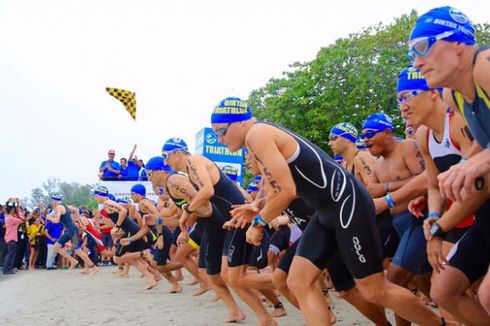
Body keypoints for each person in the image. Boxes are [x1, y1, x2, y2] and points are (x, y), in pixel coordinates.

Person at [210, 96, 443, 325]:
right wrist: (256, 206)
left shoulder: (257, 134)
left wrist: (259, 223)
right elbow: (276, 185)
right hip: (326, 210)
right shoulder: (260, 134)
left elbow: (286, 191)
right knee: (298, 281)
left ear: (241, 122)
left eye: (221, 131)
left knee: (373, 288)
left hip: (347, 204)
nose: (219, 139)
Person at [408, 6, 490, 323]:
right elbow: (483, 142)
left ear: (457, 43)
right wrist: (466, 162)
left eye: (422, 48)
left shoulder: (483, 64)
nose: (416, 62)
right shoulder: (455, 95)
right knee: (443, 290)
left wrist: (476, 161)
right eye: (411, 53)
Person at [162, 139, 249, 323]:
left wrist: (188, 211)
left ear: (178, 153)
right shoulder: (190, 173)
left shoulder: (193, 162)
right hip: (228, 221)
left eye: (167, 156)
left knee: (231, 276)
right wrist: (187, 212)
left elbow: (207, 192)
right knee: (218, 275)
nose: (166, 162)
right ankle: (240, 311)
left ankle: (275, 293)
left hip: (232, 220)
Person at [47, 194, 98, 275]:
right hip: (69, 230)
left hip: (72, 230)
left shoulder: (59, 207)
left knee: (78, 251)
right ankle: (73, 261)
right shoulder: (65, 206)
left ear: (54, 201)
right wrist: (75, 219)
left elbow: (56, 220)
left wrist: (50, 218)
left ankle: (93, 267)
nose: (52, 203)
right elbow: (76, 210)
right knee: (56, 247)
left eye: (52, 201)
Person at [3, 198, 25, 274]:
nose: (14, 210)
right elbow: (22, 220)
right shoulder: (11, 218)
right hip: (11, 238)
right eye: (13, 209)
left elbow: (6, 209)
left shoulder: (7, 217)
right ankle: (6, 269)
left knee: (10, 254)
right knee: (10, 254)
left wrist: (10, 202)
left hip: (9, 238)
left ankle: (8, 269)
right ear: (11, 210)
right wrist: (19, 211)